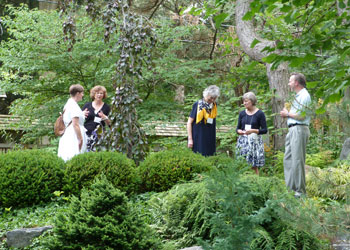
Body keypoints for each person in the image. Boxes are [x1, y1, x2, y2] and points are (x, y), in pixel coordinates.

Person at [280, 72, 311, 198]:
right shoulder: (297, 96)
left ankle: (300, 192)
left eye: (290, 81)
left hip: (299, 129)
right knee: (288, 159)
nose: (289, 83)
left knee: (298, 160)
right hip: (292, 130)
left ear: (296, 83)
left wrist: (287, 114)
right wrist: (287, 113)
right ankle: (291, 189)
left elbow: (302, 116)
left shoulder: (305, 95)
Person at [236, 92, 267, 175]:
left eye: (246, 101)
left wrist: (253, 131)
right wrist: (239, 131)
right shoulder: (242, 113)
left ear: (252, 101)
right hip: (243, 141)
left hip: (254, 142)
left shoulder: (260, 114)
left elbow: (264, 130)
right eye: (243, 101)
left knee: (254, 166)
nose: (244, 103)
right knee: (241, 164)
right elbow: (237, 128)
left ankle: (256, 182)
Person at [187, 85, 220, 156]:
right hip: (199, 137)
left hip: (210, 137)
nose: (212, 100)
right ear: (206, 94)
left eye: (214, 98)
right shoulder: (198, 105)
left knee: (211, 157)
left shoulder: (214, 105)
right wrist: (190, 139)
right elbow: (189, 122)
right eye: (211, 98)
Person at [58, 84, 88, 161]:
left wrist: (82, 113)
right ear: (77, 93)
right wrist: (80, 139)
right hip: (74, 135)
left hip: (69, 133)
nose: (82, 95)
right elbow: (75, 124)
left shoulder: (69, 104)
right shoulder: (73, 106)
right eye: (82, 93)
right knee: (74, 155)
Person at [82, 85, 111, 152]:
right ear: (94, 94)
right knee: (86, 152)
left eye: (101, 93)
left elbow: (110, 124)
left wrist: (105, 118)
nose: (99, 95)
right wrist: (82, 114)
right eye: (97, 93)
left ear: (104, 95)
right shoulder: (87, 105)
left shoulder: (106, 107)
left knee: (98, 153)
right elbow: (80, 119)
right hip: (86, 133)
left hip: (100, 135)